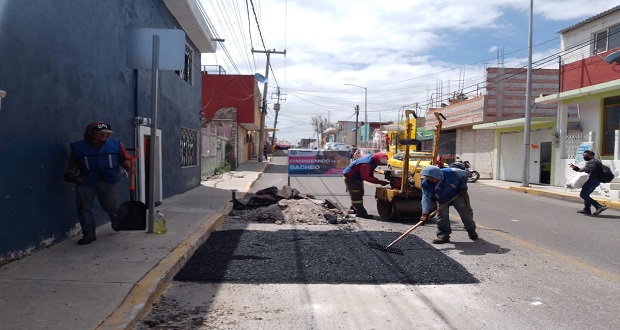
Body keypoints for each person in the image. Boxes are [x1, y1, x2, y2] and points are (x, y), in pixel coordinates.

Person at [64, 122, 134, 245]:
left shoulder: (116, 144)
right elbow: (74, 163)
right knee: (84, 207)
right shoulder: (78, 147)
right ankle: (89, 234)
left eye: (106, 133)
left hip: (109, 180)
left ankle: (116, 220)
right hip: (86, 180)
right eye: (100, 133)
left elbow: (123, 158)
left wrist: (128, 166)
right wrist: (71, 173)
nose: (104, 135)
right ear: (90, 133)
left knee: (110, 206)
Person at [419, 165, 478, 244]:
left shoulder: (452, 172)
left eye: (431, 178)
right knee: (442, 216)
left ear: (437, 175)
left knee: (466, 214)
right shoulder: (426, 184)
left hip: (458, 194)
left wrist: (463, 187)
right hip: (442, 198)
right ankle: (443, 235)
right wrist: (425, 213)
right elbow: (426, 198)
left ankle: (471, 230)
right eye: (427, 178)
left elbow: (465, 174)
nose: (429, 180)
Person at [342, 152, 390, 219]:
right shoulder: (366, 164)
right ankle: (361, 213)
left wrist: (374, 178)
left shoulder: (372, 159)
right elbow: (365, 177)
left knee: (358, 193)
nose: (380, 164)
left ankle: (353, 209)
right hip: (352, 178)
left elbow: (370, 171)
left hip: (356, 177)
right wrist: (379, 181)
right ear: (377, 160)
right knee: (357, 195)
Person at [569, 150, 607, 216]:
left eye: (586, 156)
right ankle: (586, 209)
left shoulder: (593, 162)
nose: (584, 157)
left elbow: (591, 169)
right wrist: (576, 168)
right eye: (584, 156)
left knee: (583, 195)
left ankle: (599, 206)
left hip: (593, 180)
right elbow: (586, 170)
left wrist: (583, 169)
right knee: (586, 195)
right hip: (593, 180)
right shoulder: (591, 162)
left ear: (591, 155)